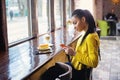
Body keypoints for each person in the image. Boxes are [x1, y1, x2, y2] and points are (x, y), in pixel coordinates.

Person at [63, 9, 100, 80]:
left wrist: (74, 53)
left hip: (79, 72)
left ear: (83, 19)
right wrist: (72, 51)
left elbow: (94, 62)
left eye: (75, 23)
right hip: (76, 67)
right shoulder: (85, 33)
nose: (74, 26)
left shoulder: (90, 37)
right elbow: (84, 52)